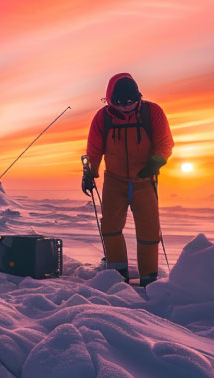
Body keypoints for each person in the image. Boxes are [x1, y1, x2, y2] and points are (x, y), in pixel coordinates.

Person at [83, 73, 173, 287]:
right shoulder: (102, 118)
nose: (126, 107)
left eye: (131, 102)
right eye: (121, 103)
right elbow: (94, 150)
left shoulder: (152, 112)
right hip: (115, 182)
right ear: (111, 99)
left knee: (149, 231)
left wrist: (155, 163)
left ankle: (149, 278)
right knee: (111, 228)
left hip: (145, 181)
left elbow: (165, 143)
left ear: (137, 97)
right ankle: (117, 274)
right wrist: (89, 173)